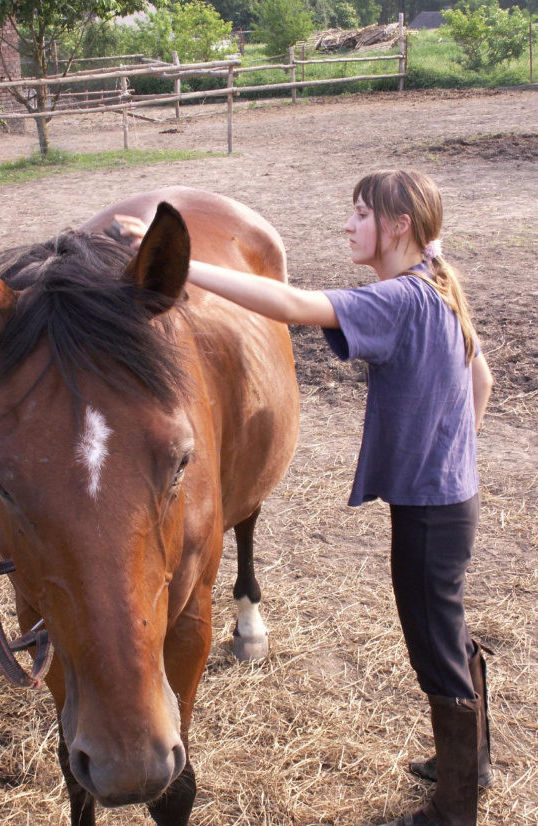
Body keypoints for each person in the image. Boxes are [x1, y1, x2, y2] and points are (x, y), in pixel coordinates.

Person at [115, 170, 494, 826]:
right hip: (450, 500)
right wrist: (455, 452)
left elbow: (290, 306)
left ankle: (457, 809)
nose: (348, 226)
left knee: (434, 646)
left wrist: (190, 269)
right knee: (447, 633)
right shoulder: (438, 283)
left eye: (359, 215)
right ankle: (472, 761)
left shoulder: (400, 299)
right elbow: (479, 374)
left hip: (429, 512)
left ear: (396, 226)